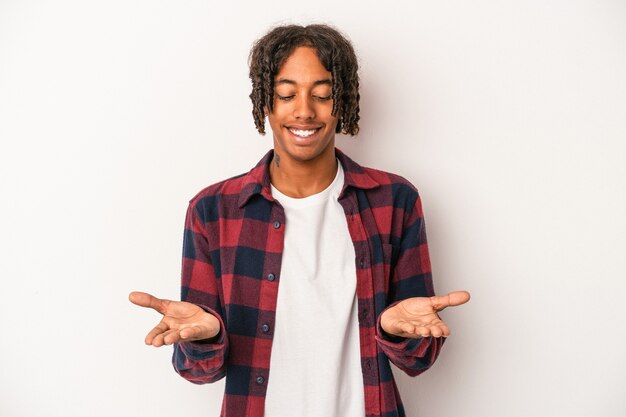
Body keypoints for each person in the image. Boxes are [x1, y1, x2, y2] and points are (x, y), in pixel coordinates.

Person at [129, 24, 470, 417]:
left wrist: (394, 329)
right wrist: (207, 337)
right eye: (287, 94)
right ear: (265, 103)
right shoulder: (213, 211)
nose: (305, 110)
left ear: (342, 102)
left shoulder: (393, 201)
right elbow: (197, 369)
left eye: (322, 94)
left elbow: (420, 357)